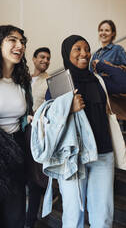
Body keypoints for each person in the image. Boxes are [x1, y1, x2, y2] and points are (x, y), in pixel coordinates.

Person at [32, 35, 126, 228]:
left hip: (103, 155)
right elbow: (49, 118)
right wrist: (67, 107)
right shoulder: (59, 83)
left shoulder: (98, 80)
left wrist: (101, 64)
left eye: (87, 49)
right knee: (73, 216)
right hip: (73, 158)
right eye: (77, 49)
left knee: (103, 215)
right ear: (67, 53)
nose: (84, 53)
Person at [0, 25, 32, 228]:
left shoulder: (23, 82)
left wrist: (27, 121)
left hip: (17, 154)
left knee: (15, 215)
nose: (19, 45)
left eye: (22, 42)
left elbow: (21, 115)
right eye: (12, 40)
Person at [90, 19, 126, 131]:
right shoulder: (95, 54)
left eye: (107, 30)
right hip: (98, 98)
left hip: (113, 100)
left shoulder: (117, 49)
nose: (103, 33)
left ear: (113, 33)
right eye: (101, 30)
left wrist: (108, 67)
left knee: (114, 135)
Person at [25, 47, 51, 228]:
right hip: (19, 133)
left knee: (36, 179)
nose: (45, 60)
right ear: (33, 59)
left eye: (48, 58)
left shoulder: (50, 81)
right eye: (42, 57)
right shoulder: (23, 79)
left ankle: (30, 221)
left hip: (38, 134)